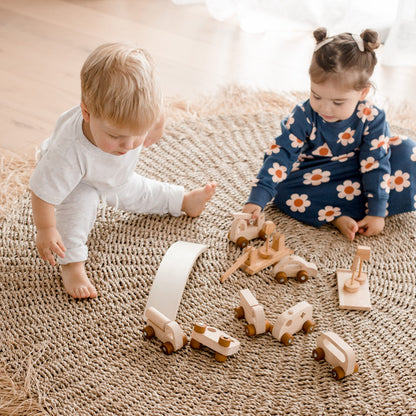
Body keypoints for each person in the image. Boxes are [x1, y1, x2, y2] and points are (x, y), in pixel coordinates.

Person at [29, 43, 216, 299]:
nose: (128, 145)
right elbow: (42, 191)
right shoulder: (66, 153)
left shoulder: (136, 122)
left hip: (113, 173)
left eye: (137, 134)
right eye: (116, 136)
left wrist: (154, 127)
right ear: (86, 112)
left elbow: (156, 114)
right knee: (77, 212)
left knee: (138, 190)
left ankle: (182, 201)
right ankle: (72, 265)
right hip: (76, 182)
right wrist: (46, 229)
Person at [243, 27, 416, 241]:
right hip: (315, 173)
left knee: (408, 151)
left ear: (362, 93)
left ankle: (355, 208)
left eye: (338, 102)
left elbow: (375, 163)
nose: (325, 108)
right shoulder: (303, 114)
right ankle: (336, 216)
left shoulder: (372, 116)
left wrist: (377, 212)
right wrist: (257, 199)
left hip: (360, 171)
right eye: (316, 96)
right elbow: (282, 155)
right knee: (282, 190)